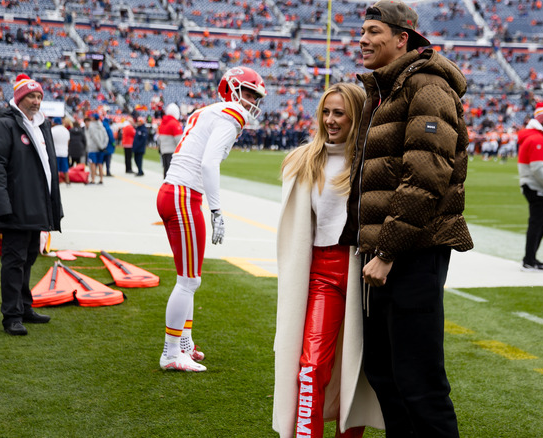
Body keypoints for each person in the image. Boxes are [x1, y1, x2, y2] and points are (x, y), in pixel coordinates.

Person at [338, 1, 473, 436]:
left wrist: (387, 252)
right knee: (385, 375)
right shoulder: (386, 90)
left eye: (374, 31)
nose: (362, 39)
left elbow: (426, 177)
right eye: (362, 30)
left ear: (403, 39)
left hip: (410, 252)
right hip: (382, 253)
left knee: (419, 383)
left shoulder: (427, 86)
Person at [273, 83, 383, 438]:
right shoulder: (303, 159)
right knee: (311, 366)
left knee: (360, 370)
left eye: (339, 112)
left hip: (362, 272)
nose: (331, 120)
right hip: (322, 272)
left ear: (356, 116)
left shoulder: (372, 161)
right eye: (326, 111)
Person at [156, 66, 266, 372]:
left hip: (174, 192)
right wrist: (217, 211)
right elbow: (208, 164)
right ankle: (171, 352)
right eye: (248, 92)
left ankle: (185, 343)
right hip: (183, 195)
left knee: (189, 278)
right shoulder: (231, 113)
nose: (252, 100)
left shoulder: (209, 111)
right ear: (232, 89)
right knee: (188, 280)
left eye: (256, 95)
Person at [0, 74, 63, 335]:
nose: (37, 101)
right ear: (19, 98)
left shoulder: (41, 126)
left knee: (28, 258)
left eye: (39, 96)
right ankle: (11, 316)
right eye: (31, 96)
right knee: (14, 260)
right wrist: (2, 205)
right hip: (16, 206)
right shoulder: (4, 125)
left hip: (36, 206)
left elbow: (47, 169)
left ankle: (25, 306)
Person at [517, 102, 543, 271]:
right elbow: (537, 168)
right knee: (537, 222)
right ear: (541, 122)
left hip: (532, 186)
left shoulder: (534, 137)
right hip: (536, 187)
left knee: (541, 221)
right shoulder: (537, 139)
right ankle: (529, 259)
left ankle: (531, 257)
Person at [157, 103, 183, 178]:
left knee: (166, 171)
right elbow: (179, 140)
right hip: (172, 151)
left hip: (164, 150)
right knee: (173, 173)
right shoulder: (174, 123)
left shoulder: (163, 123)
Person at [85, 114, 108, 184]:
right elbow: (106, 137)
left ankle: (93, 179)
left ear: (93, 118)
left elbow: (95, 137)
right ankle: (101, 179)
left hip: (93, 148)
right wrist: (103, 146)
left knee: (93, 164)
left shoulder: (91, 127)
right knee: (100, 164)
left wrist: (100, 146)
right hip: (101, 149)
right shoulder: (102, 126)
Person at [51, 116, 70, 186]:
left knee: (56, 169)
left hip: (56, 152)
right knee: (65, 168)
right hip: (64, 151)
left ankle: (57, 182)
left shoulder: (52, 130)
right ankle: (67, 182)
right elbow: (68, 141)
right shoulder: (66, 130)